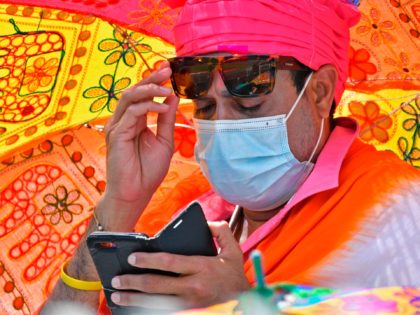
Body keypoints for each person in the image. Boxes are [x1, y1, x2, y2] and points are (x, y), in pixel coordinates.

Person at [43, 0, 420, 313]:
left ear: (319, 92)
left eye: (249, 99)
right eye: (204, 104)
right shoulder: (191, 212)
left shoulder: (397, 210)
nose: (222, 125)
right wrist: (119, 205)